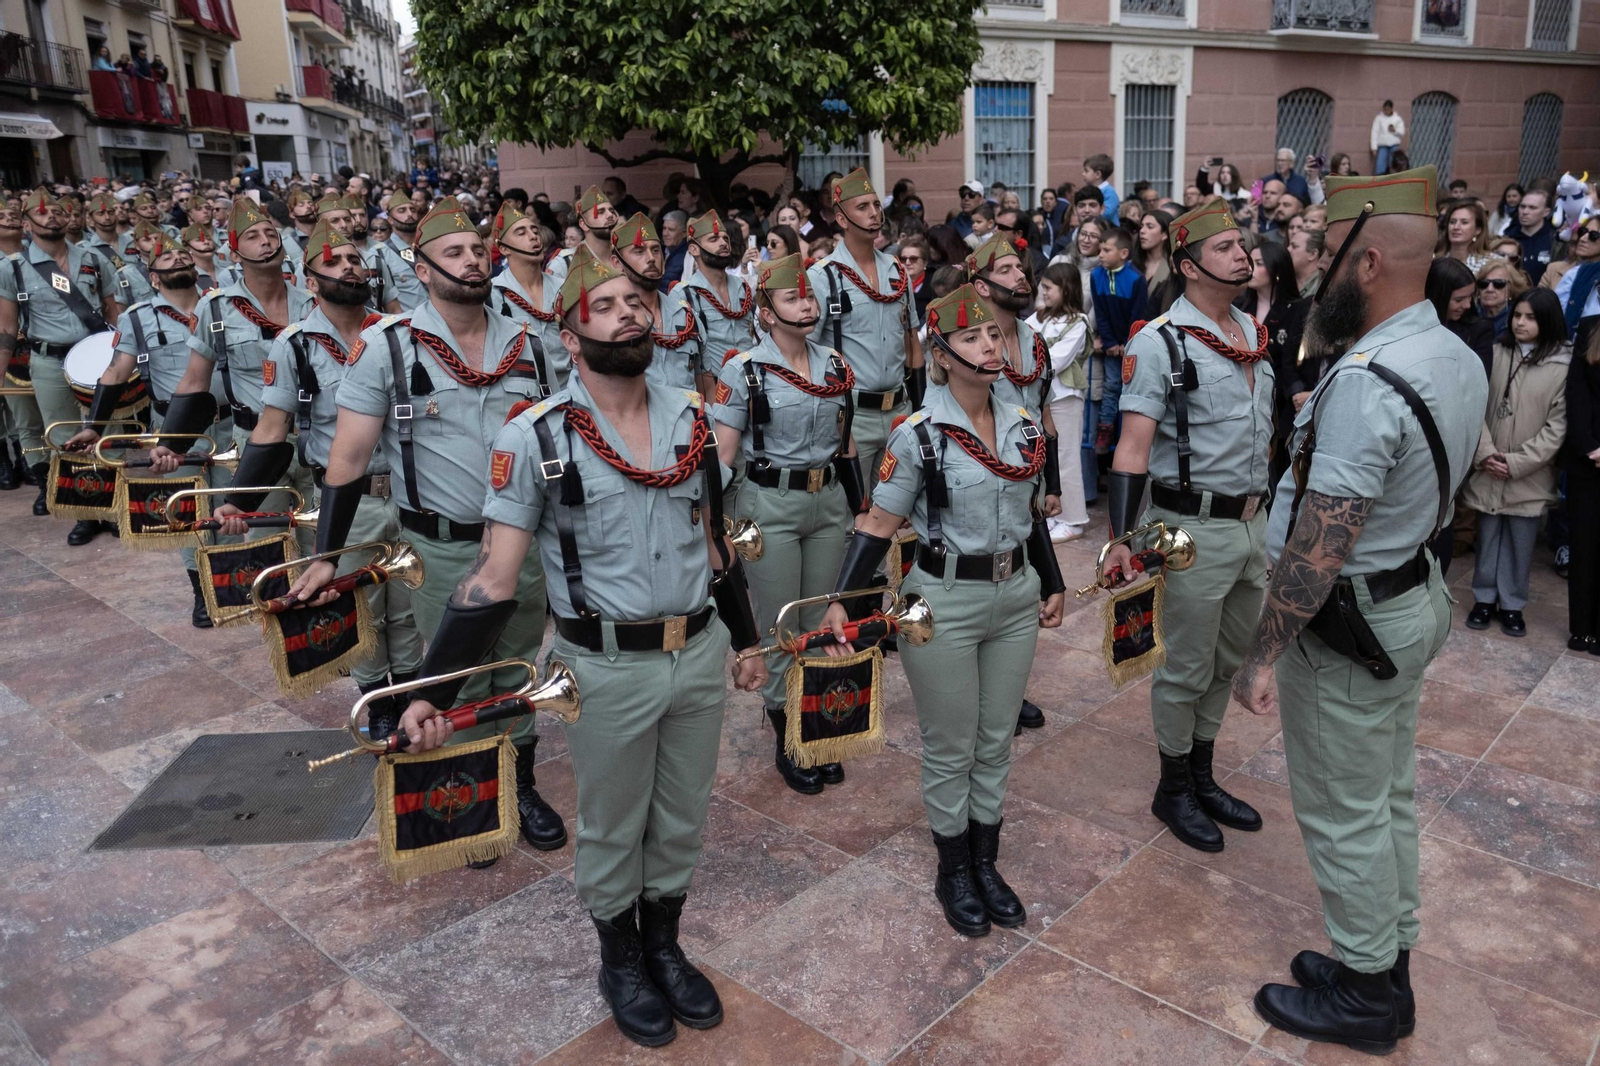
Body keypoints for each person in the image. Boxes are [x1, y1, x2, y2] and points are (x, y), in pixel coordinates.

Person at [396, 247, 765, 1048]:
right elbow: (492, 581)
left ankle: (664, 944)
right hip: (604, 666)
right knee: (612, 822)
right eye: (606, 305)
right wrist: (429, 690)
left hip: (696, 652)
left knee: (681, 816)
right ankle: (621, 958)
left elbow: (714, 542)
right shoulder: (534, 438)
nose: (630, 311)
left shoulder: (694, 418)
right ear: (568, 336)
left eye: (638, 299)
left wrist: (747, 638)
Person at [1233, 165, 1487, 1056]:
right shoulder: (1452, 351)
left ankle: (1367, 998)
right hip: (1409, 598)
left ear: (1368, 262)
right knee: (1385, 796)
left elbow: (1318, 547)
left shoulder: (1368, 380)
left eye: (1323, 257)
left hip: (1351, 628)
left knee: (1343, 808)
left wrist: (1263, 652)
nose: (1310, 272)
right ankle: (1383, 963)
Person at [276, 196, 569, 851]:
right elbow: (348, 458)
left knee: (518, 667)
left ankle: (519, 782)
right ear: (422, 267)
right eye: (453, 252)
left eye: (475, 249)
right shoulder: (387, 346)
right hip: (439, 548)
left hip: (520, 548)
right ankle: (470, 797)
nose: (470, 260)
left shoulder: (530, 344)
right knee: (450, 677)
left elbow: (556, 442)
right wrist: (326, 553)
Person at [821, 282, 1066, 937]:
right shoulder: (918, 436)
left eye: (991, 334)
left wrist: (1051, 580)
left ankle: (986, 862)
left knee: (996, 738)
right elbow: (876, 523)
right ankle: (953, 868)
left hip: (1013, 597)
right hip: (943, 601)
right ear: (942, 356)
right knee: (952, 744)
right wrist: (842, 603)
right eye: (969, 338)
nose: (987, 344)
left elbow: (1029, 513)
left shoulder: (1018, 426)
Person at [1108, 198, 1271, 855]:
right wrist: (1121, 538)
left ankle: (1202, 775)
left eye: (1242, 244)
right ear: (1187, 265)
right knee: (1185, 665)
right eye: (1226, 246)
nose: (1242, 254)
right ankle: (1173, 786)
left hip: (1249, 527)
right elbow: (1132, 447)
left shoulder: (1250, 333)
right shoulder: (1160, 342)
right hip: (1188, 530)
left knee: (1228, 658)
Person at [712, 253, 860, 793]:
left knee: (822, 622)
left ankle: (816, 726)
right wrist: (712, 519)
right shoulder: (743, 368)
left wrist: (859, 502)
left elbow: (845, 446)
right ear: (766, 312)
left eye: (809, 296)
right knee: (781, 624)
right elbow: (724, 454)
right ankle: (787, 736)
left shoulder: (836, 366)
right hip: (768, 504)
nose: (807, 304)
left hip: (826, 504)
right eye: (793, 298)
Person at [63, 233, 228, 622]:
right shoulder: (137, 316)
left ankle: (233, 583)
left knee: (233, 503)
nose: (178, 261)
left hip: (230, 422)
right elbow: (117, 371)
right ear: (153, 277)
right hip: (175, 428)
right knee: (187, 508)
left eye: (184, 255)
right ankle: (202, 591)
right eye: (167, 259)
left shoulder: (221, 307)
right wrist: (95, 426)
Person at [0, 188, 122, 544]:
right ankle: (86, 511)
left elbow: (112, 309)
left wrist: (121, 355)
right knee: (63, 436)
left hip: (98, 356)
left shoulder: (93, 258)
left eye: (56, 210)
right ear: (26, 223)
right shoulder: (12, 269)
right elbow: (7, 326)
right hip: (48, 360)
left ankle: (113, 507)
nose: (51, 216)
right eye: (41, 212)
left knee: (108, 432)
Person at [808, 168, 924, 496]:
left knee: (899, 514)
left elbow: (911, 340)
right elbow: (806, 352)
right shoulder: (824, 277)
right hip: (852, 415)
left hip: (899, 410)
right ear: (841, 219)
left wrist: (919, 407)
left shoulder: (897, 272)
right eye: (863, 207)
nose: (874, 213)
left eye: (876, 205)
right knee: (854, 517)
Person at [1462, 288, 1570, 638]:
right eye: (1517, 315)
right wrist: (1486, 452)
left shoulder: (1562, 366)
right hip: (1489, 464)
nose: (1521, 323)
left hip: (1529, 473)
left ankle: (1512, 604)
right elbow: (1474, 404)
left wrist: (1518, 462)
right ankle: (1483, 598)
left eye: (1531, 317)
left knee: (1520, 542)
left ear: (1548, 321)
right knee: (1488, 535)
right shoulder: (1495, 353)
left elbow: (1558, 427)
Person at [1029, 262, 1093, 541]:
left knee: (1065, 456)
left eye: (1048, 288)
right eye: (1042, 288)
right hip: (1041, 397)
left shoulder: (1078, 321)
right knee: (1048, 459)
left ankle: (1074, 520)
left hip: (1065, 396)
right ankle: (1056, 513)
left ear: (1066, 290)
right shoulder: (1039, 317)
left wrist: (1027, 363)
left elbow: (1058, 360)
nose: (1043, 293)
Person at [1238, 241, 1308, 492]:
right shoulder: (1240, 308)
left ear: (1276, 270)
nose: (1250, 268)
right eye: (1249, 262)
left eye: (1258, 264)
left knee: (1276, 475)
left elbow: (1291, 361)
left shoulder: (1297, 310)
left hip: (1279, 404)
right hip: (1242, 401)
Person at [669, 210, 759, 393]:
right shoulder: (684, 294)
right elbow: (678, 360)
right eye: (714, 239)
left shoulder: (743, 287)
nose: (723, 244)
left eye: (725, 239)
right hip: (712, 390)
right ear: (694, 249)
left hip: (751, 384)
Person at [488, 202, 565, 390]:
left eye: (535, 231)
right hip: (521, 395)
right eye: (521, 233)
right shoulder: (493, 294)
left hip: (568, 389)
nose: (533, 237)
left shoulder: (564, 288)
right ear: (504, 249)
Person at [1090, 227, 1147, 454]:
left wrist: (1127, 343)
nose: (1100, 254)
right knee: (1112, 385)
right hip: (1112, 345)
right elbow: (1100, 312)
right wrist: (1110, 342)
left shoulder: (1136, 279)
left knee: (1132, 388)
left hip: (1132, 344)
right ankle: (1106, 429)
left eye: (1106, 250)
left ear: (1123, 253)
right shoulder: (1096, 276)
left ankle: (1131, 435)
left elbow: (1138, 315)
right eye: (1100, 250)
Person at [1564, 327, 1600, 654]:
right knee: (1584, 546)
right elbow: (1575, 392)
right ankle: (1582, 628)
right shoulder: (1589, 329)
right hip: (1588, 461)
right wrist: (1590, 446)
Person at [1428, 257, 1495, 376]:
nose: (1467, 305)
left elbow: (1479, 379)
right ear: (1438, 296)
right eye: (1458, 300)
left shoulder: (1479, 331)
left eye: (1470, 297)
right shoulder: (1415, 328)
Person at [1511, 189, 1565, 285]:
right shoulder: (1508, 238)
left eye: (1532, 208)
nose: (1525, 211)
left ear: (1546, 212)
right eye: (1522, 206)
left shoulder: (1555, 240)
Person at [1136, 209, 1179, 317]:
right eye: (1141, 226)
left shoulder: (1173, 268)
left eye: (1149, 227)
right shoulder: (1132, 265)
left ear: (1164, 234)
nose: (1142, 231)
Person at [1475, 257, 1527, 338]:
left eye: (1498, 284)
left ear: (1511, 289)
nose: (1489, 289)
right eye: (1484, 283)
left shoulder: (1519, 319)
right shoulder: (1468, 316)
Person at [1437, 200, 1491, 273]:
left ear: (1478, 229)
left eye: (1464, 222)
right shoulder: (1435, 261)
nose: (1456, 227)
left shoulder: (1489, 263)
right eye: (1452, 222)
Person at [1288, 227, 1326, 298]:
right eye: (1289, 245)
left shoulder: (1322, 286)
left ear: (1312, 254)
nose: (1288, 249)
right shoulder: (1284, 280)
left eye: (1294, 246)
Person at [1370, 101, 1406, 176]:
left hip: (1394, 144)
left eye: (1388, 109)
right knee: (1380, 164)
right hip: (1383, 144)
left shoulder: (1397, 119)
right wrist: (1374, 147)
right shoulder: (1379, 118)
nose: (1387, 111)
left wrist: (1395, 131)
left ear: (1391, 109)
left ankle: (1393, 179)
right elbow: (1375, 132)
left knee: (1393, 163)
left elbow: (1402, 131)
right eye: (1385, 109)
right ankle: (1379, 179)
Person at [1083, 153, 1120, 222]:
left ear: (1097, 174)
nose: (1083, 174)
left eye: (1086, 171)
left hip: (1109, 230)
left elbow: (1107, 213)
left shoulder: (1110, 192)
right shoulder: (1088, 191)